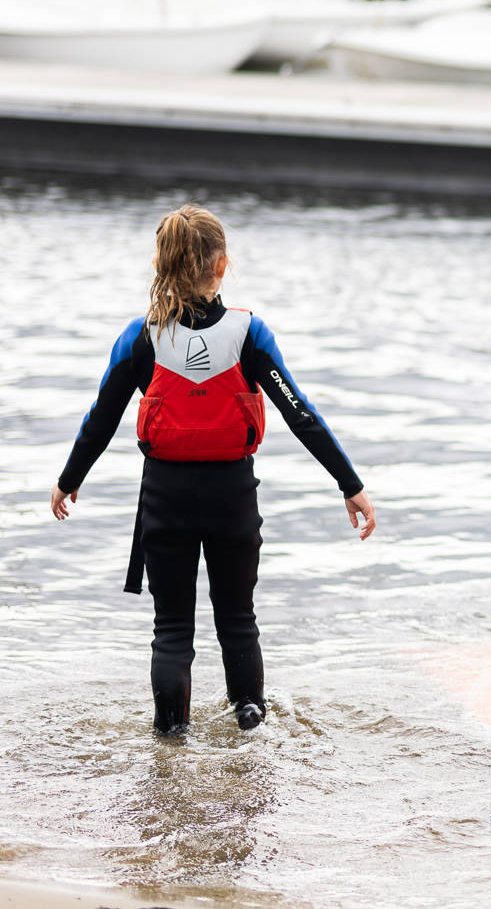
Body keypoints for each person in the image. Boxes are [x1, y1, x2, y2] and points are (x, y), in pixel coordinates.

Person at [49, 204, 375, 736]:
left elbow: (101, 418)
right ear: (221, 266)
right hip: (232, 495)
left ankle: (170, 740)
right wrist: (351, 484)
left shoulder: (142, 336)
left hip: (165, 497)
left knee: (172, 630)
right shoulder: (249, 333)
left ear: (161, 264)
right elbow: (300, 414)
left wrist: (69, 480)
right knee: (238, 620)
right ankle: (251, 726)